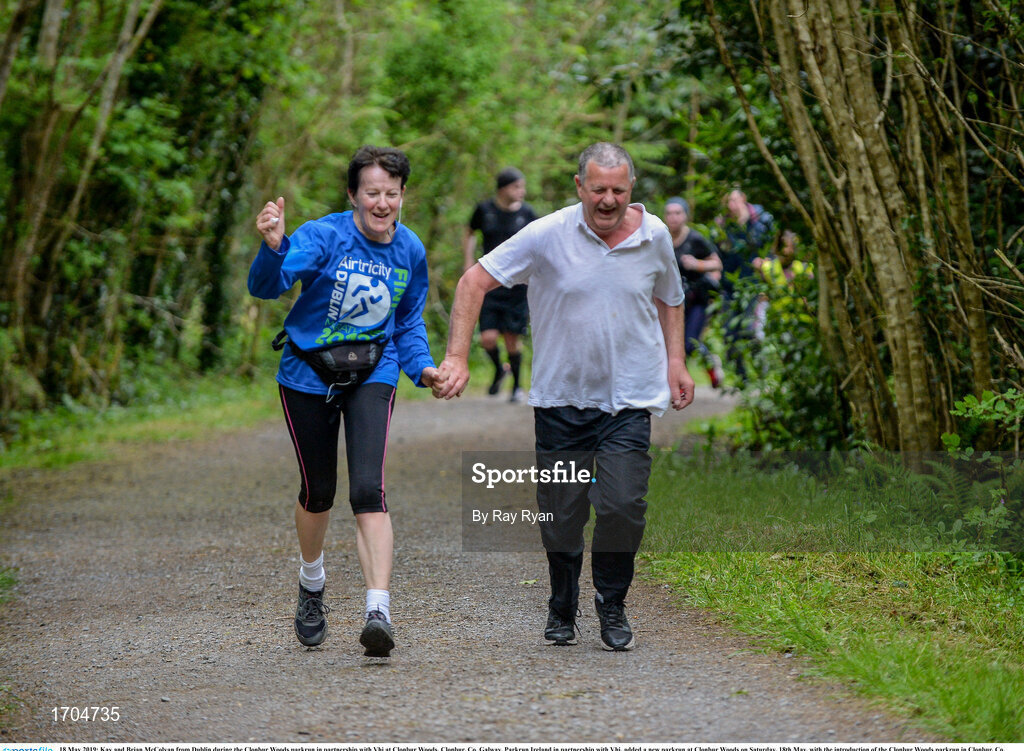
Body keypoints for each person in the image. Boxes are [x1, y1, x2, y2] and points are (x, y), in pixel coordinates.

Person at [437, 143, 694, 651]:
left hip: (629, 400)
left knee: (622, 506)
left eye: (618, 190)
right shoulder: (545, 234)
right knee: (562, 515)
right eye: (598, 189)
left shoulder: (654, 236)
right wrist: (459, 357)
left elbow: (671, 296)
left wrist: (676, 361)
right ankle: (562, 604)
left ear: (631, 190)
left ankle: (612, 603)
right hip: (561, 400)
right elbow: (473, 282)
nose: (608, 200)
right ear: (579, 187)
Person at [249, 145, 441, 657]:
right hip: (307, 374)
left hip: (373, 371)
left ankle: (378, 608)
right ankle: (312, 584)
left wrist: (421, 367)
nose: (383, 203)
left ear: (403, 195)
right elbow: (268, 285)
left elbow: (407, 321)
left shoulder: (410, 251)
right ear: (353, 195)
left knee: (366, 489)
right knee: (318, 490)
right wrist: (272, 245)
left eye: (392, 194)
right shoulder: (324, 235)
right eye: (372, 193)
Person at [462, 167, 538, 402]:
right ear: (503, 188)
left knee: (512, 339)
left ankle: (516, 387)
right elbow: (469, 231)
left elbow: (539, 243)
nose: (522, 191)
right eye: (517, 187)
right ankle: (499, 369)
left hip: (517, 287)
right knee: (488, 338)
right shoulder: (484, 210)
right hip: (489, 283)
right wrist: (468, 260)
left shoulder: (527, 214)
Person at [664, 196, 724, 388]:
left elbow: (717, 264)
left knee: (690, 343)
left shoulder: (695, 239)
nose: (673, 217)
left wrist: (697, 264)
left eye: (678, 213)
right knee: (672, 343)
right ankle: (677, 380)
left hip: (697, 299)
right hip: (671, 301)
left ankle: (712, 369)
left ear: (686, 216)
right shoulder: (661, 238)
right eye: (669, 213)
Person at [714, 188, 774, 381]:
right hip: (730, 287)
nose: (732, 205)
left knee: (751, 332)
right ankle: (742, 379)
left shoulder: (761, 221)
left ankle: (762, 375)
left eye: (735, 200)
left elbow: (773, 248)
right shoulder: (724, 227)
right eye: (728, 201)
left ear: (743, 199)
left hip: (754, 287)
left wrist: (766, 263)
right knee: (730, 334)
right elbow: (717, 254)